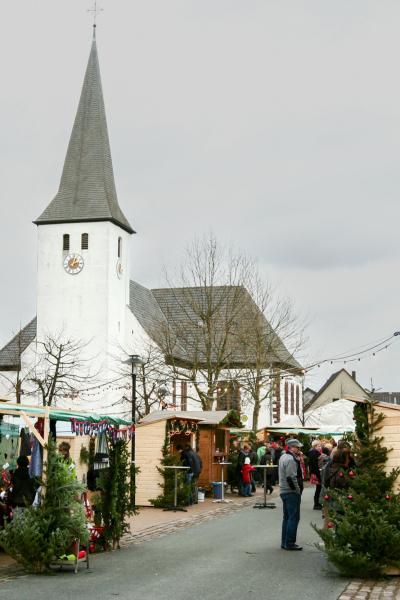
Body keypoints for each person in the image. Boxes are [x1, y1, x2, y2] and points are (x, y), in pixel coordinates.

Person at [279, 438, 304, 551]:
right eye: (298, 447)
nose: (299, 449)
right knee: (293, 517)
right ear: (292, 448)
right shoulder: (290, 459)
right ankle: (289, 542)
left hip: (284, 490)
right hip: (290, 491)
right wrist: (297, 490)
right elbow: (291, 477)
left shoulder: (284, 456)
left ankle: (285, 541)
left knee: (287, 517)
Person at [308, 440, 323, 510]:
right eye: (319, 446)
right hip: (316, 473)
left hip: (315, 472)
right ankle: (316, 504)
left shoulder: (313, 452)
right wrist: (318, 475)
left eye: (320, 446)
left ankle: (317, 503)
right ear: (315, 446)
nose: (320, 447)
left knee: (318, 488)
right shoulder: (314, 453)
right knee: (318, 488)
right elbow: (315, 465)